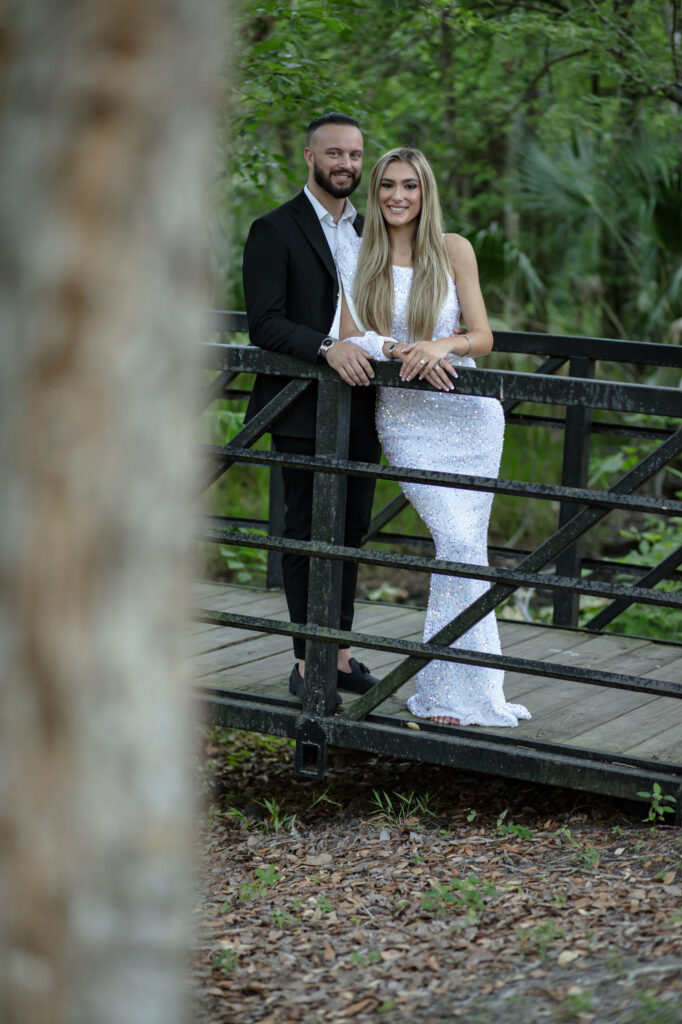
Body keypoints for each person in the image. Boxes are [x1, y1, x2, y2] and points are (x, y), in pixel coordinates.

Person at [335, 147, 531, 727]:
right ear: (376, 192)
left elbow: (484, 336)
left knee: (466, 550)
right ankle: (454, 689)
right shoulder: (358, 252)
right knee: (457, 543)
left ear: (426, 193)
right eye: (389, 186)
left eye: (410, 187)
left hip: (468, 415)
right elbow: (351, 334)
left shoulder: (453, 249)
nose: (399, 197)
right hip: (406, 419)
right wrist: (396, 348)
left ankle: (460, 693)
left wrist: (439, 346)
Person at [242, 113, 381, 704]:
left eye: (354, 154)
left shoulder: (374, 231)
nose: (345, 164)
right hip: (300, 407)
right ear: (309, 156)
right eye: (334, 153)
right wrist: (328, 348)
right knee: (305, 532)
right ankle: (306, 661)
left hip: (365, 405)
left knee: (349, 531)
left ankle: (341, 654)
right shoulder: (273, 229)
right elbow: (266, 325)